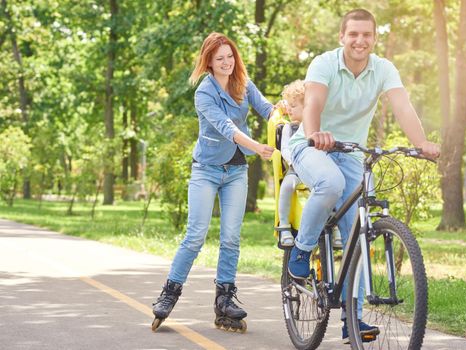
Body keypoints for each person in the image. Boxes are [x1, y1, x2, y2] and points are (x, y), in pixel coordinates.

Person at [285, 9, 440, 343]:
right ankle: (302, 251)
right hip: (310, 145)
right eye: (353, 34)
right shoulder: (324, 63)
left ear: (374, 38)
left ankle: (351, 321)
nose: (360, 41)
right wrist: (315, 134)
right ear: (342, 36)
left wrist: (421, 143)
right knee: (330, 184)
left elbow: (403, 106)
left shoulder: (383, 69)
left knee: (358, 231)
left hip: (351, 152)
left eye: (366, 35)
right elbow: (312, 103)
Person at [151, 32, 275, 333]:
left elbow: (269, 110)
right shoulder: (203, 93)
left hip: (235, 171)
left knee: (231, 238)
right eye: (219, 58)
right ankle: (169, 293)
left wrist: (287, 120)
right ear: (208, 63)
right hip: (206, 169)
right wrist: (258, 147)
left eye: (229, 56)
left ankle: (225, 300)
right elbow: (226, 127)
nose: (226, 62)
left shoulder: (243, 84)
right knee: (195, 236)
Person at [276, 80, 342, 249]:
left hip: (316, 170)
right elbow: (285, 149)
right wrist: (295, 161)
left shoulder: (319, 125)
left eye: (294, 106)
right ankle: (284, 226)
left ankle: (334, 228)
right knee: (287, 186)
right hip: (296, 169)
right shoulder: (288, 129)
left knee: (330, 190)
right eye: (288, 106)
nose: (290, 109)